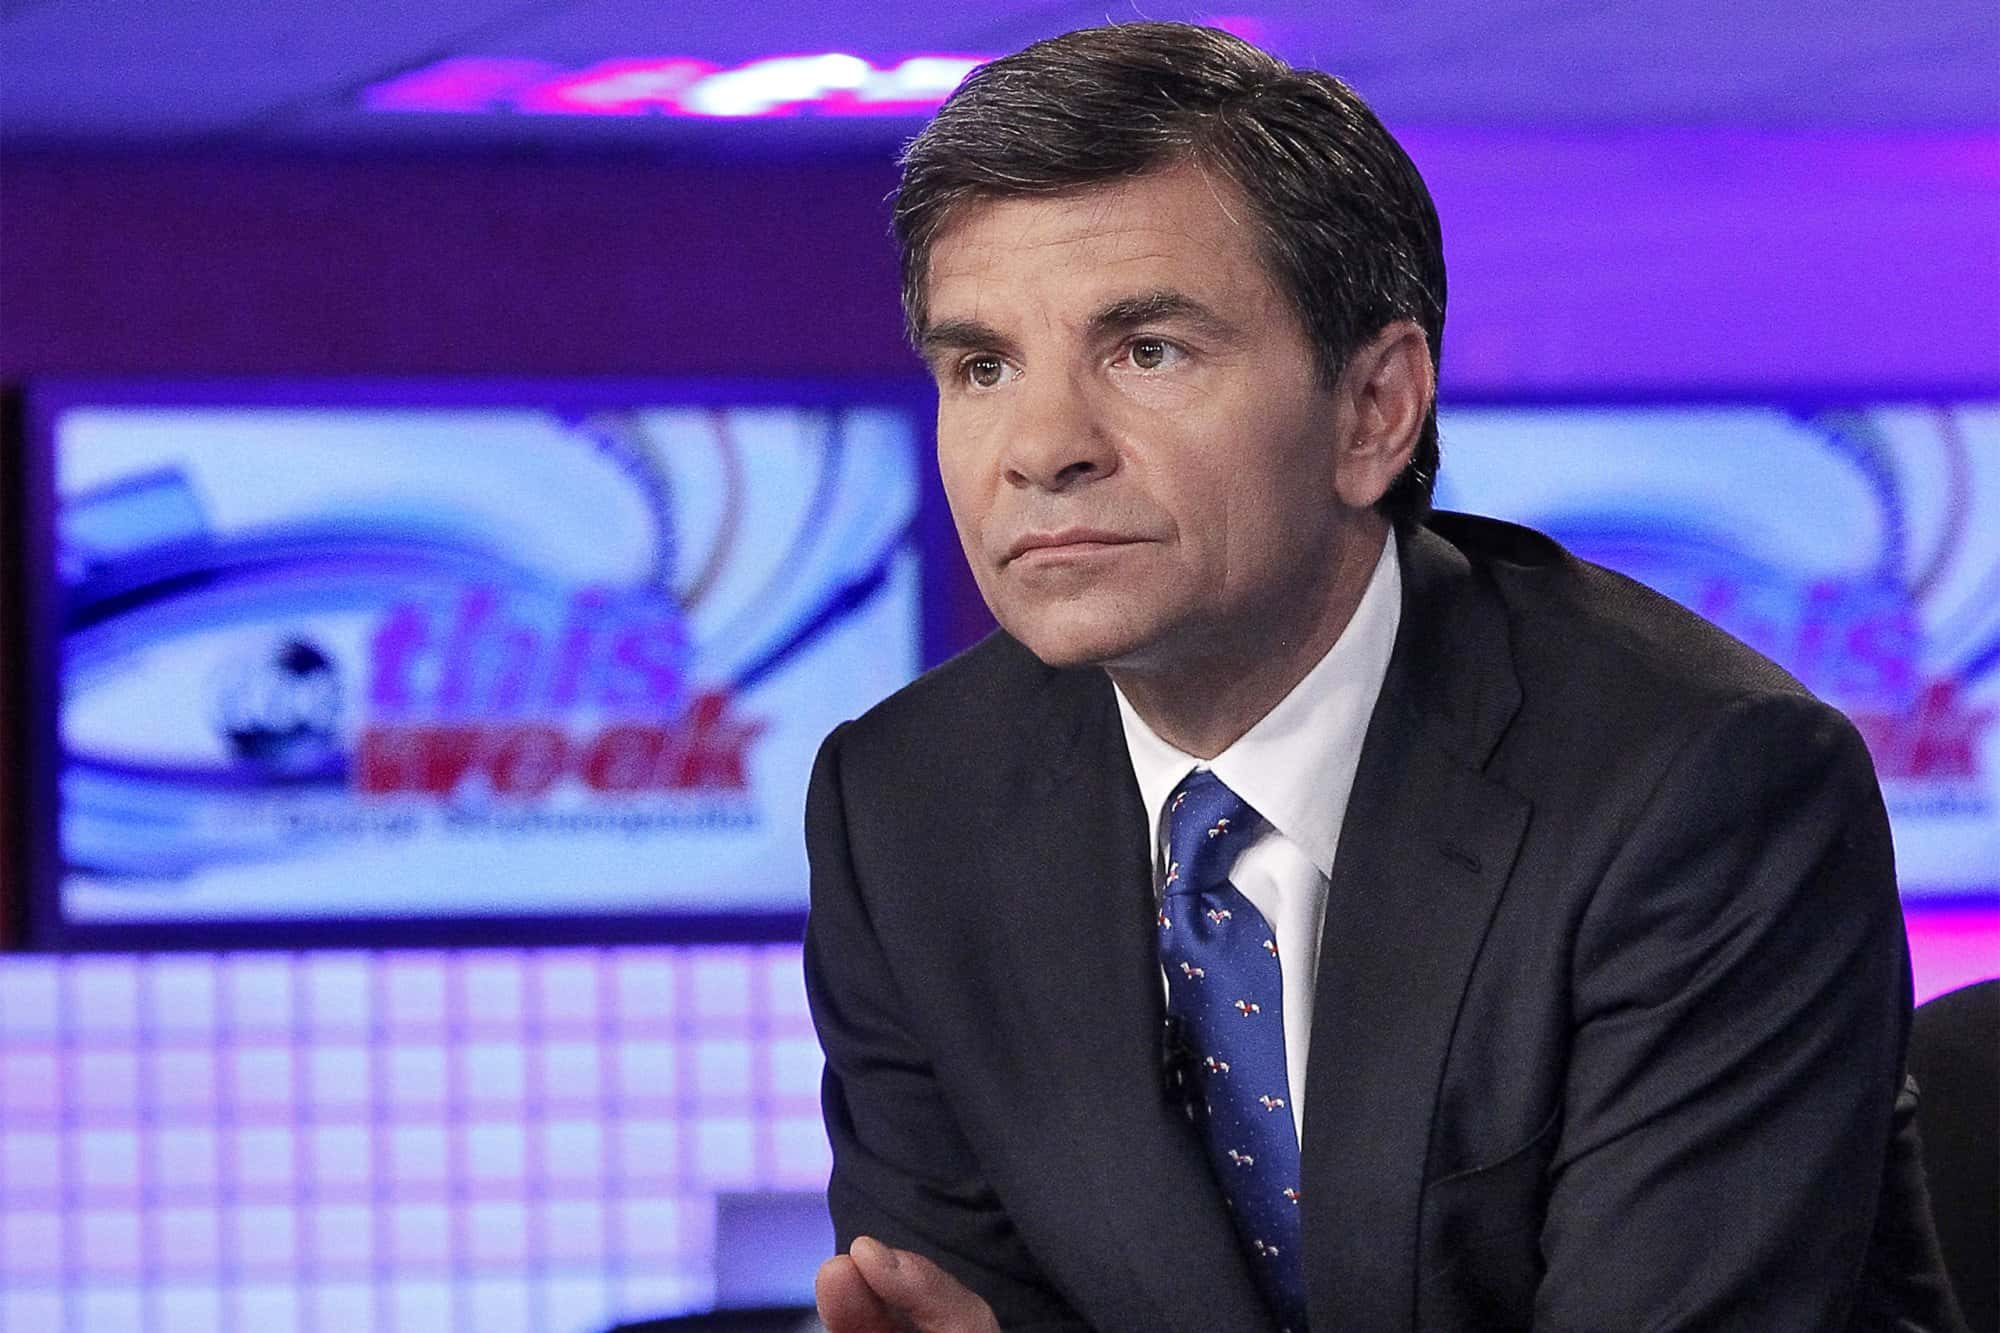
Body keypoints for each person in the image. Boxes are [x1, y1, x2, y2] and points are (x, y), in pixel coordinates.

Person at [802, 21, 1964, 1333]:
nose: (1041, 447)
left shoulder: (1701, 788)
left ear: (1374, 410)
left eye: (1148, 350)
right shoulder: (906, 804)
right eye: (983, 366)